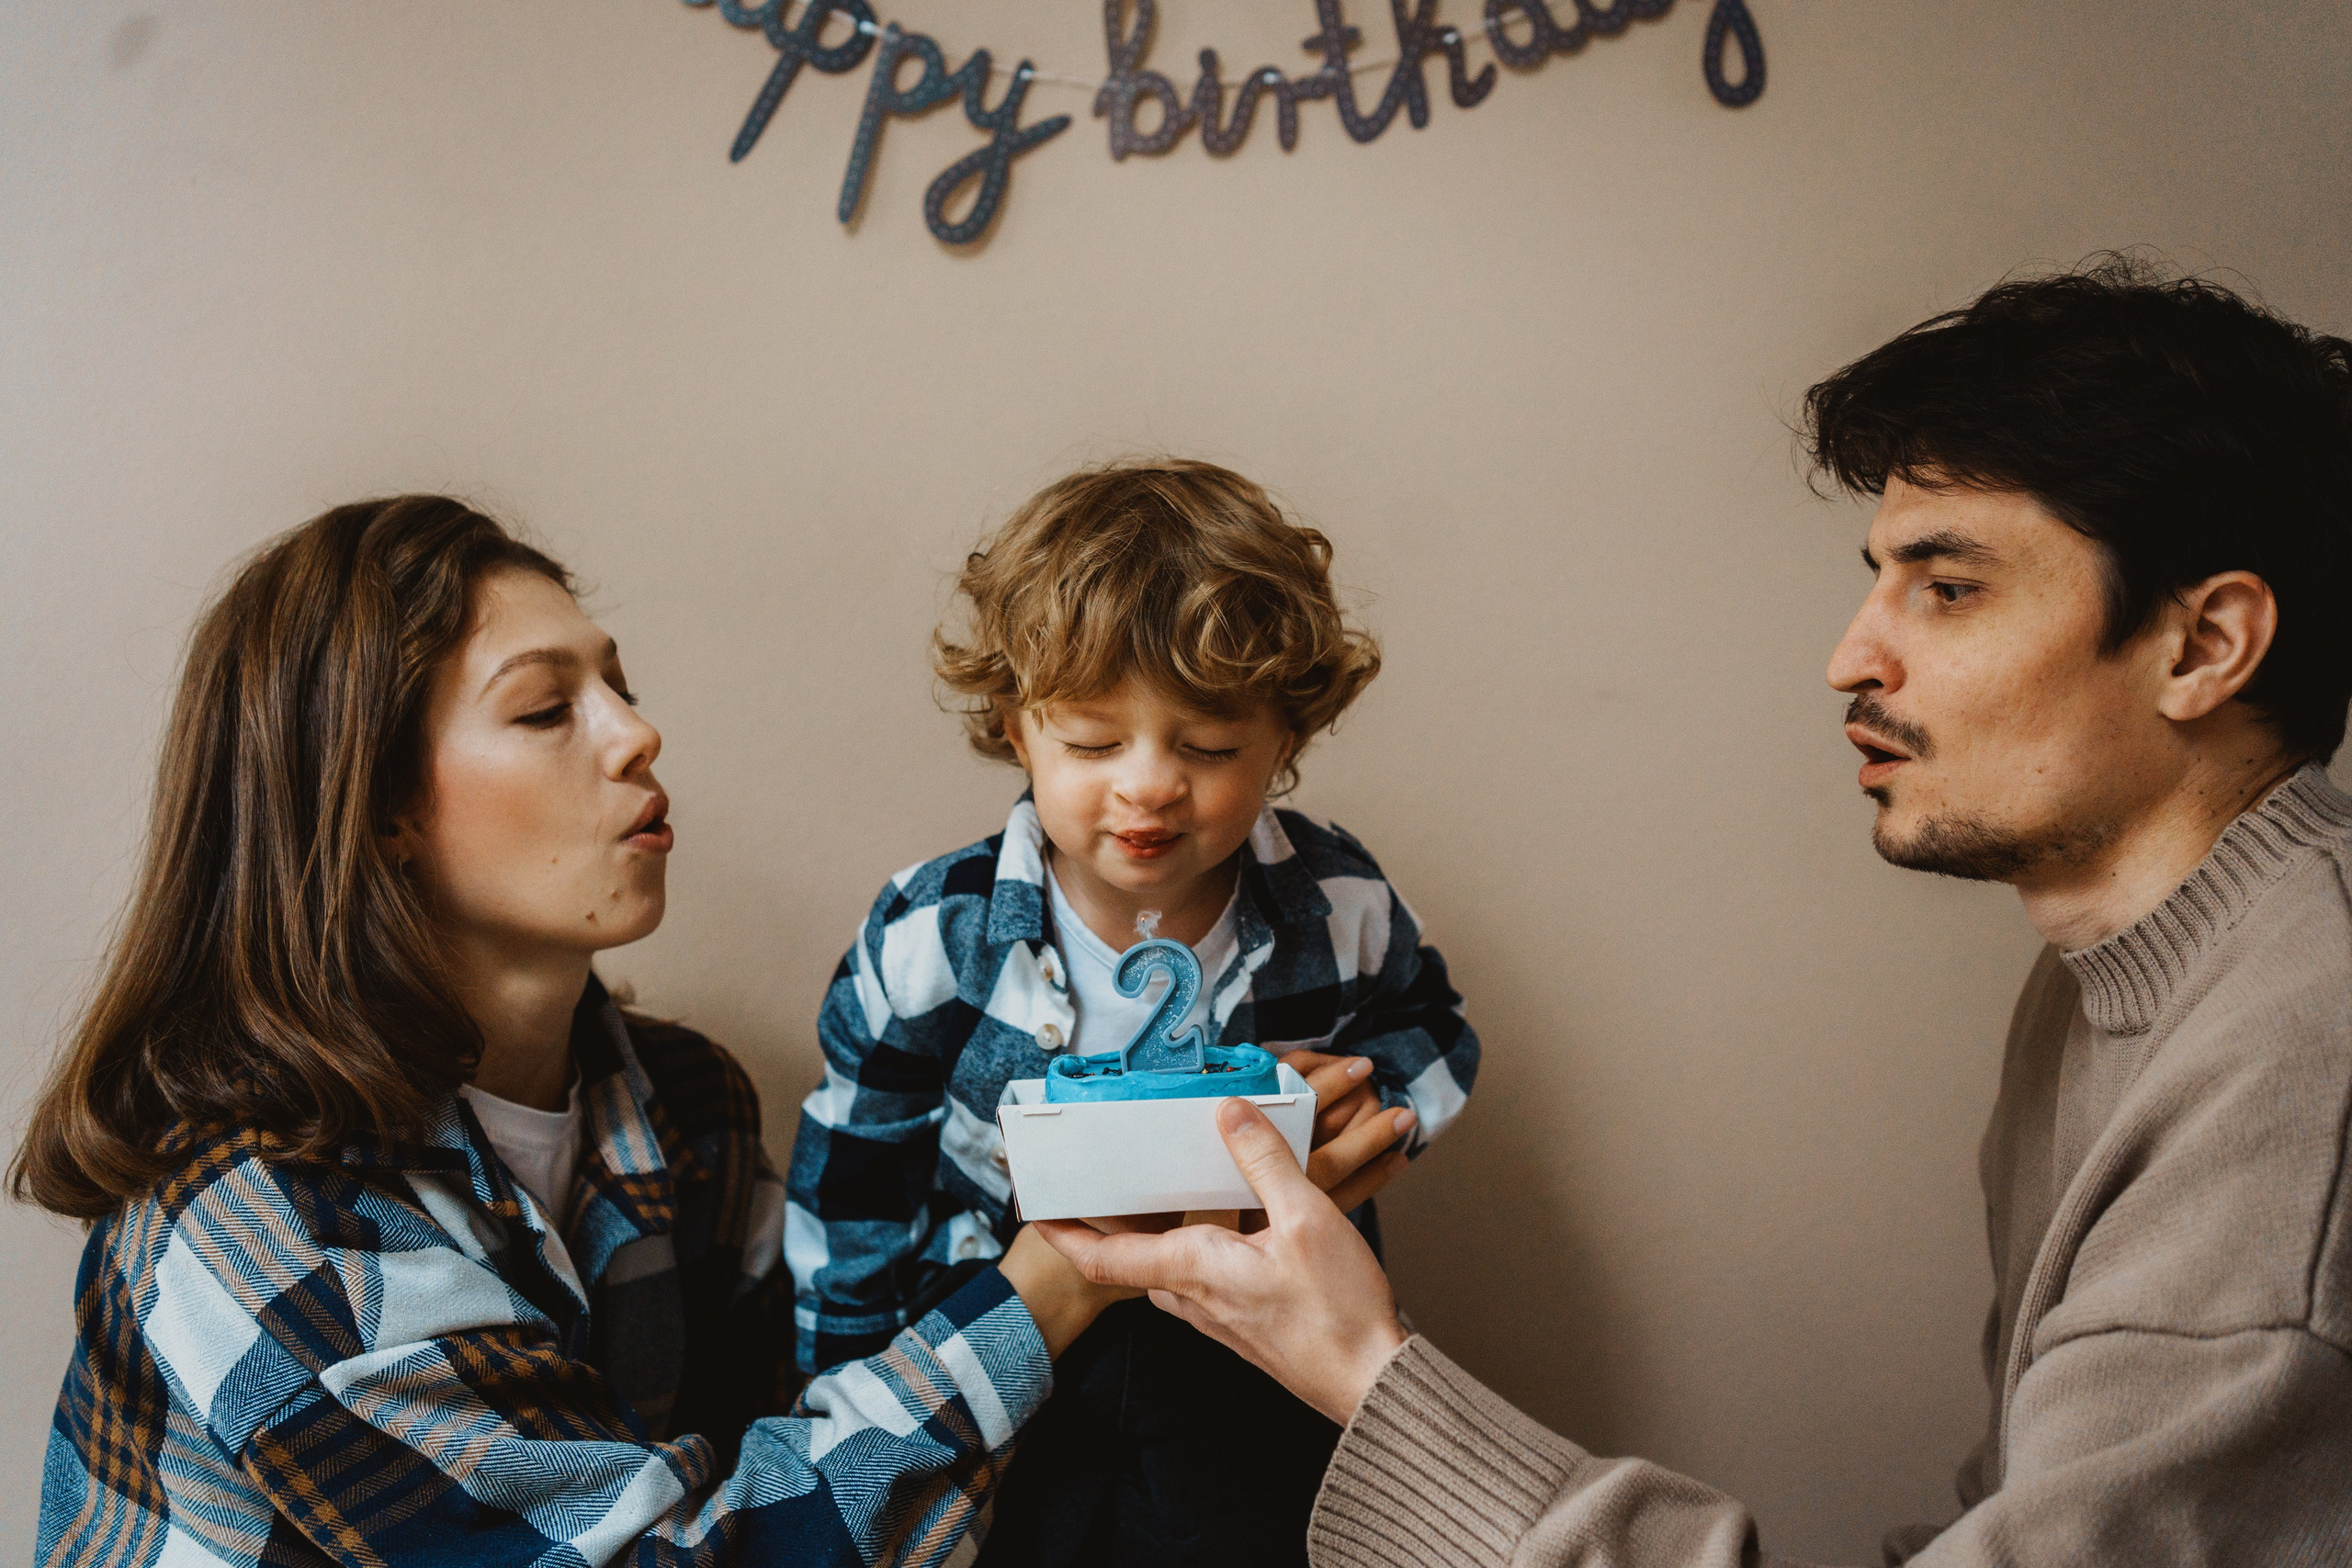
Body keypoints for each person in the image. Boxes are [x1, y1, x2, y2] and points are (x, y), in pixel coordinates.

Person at [1040, 260, 2352, 1565]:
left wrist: (1363, 1369)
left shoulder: (2302, 1073)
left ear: (2203, 645)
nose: (1850, 658)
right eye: (1878, 579)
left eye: (1947, 588)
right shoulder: (2097, 982)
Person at [14, 496, 1140, 1567]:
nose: (638, 734)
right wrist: (1051, 1282)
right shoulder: (261, 1225)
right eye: (546, 710)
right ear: (379, 804)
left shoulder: (691, 1107)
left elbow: (792, 1443)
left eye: (620, 688)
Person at [785, 458, 1477, 1567]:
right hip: (1011, 1340)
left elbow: (1433, 1030)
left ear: (1284, 739)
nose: (1148, 785)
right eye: (1094, 742)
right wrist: (848, 1382)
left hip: (1260, 1350)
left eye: (1207, 747)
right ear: (1017, 728)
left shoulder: (1337, 901)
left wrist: (1368, 1112)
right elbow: (855, 1170)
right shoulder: (934, 934)